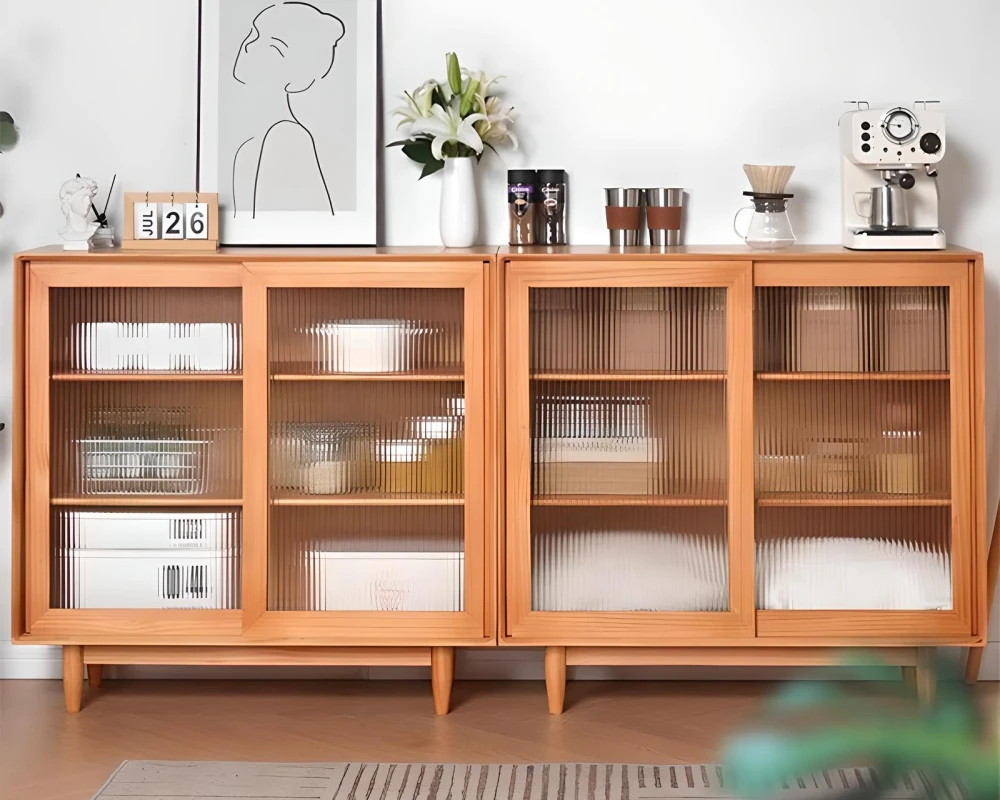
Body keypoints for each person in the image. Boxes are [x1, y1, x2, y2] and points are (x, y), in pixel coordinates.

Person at [231, 2, 346, 217]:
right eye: (254, 33)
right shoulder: (249, 148)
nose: (250, 45)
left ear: (298, 80)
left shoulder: (287, 136)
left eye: (274, 47)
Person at [58, 176, 99, 248]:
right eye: (84, 196)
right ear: (68, 199)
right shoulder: (64, 233)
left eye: (90, 197)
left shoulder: (92, 229)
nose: (89, 202)